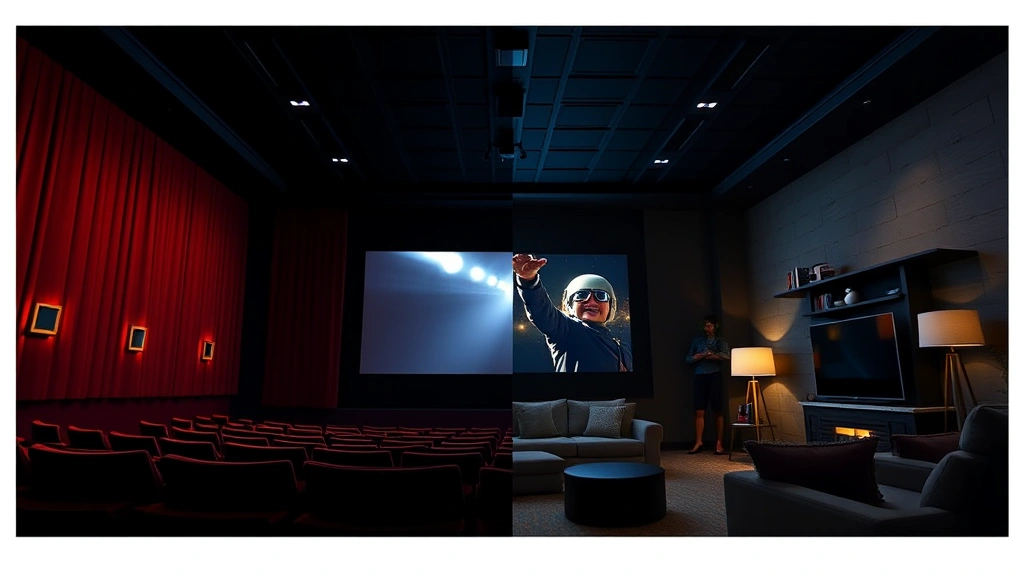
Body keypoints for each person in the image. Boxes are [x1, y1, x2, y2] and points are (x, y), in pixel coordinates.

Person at [513, 253, 632, 372]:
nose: (591, 302)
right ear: (569, 305)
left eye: (601, 296)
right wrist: (528, 280)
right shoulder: (566, 330)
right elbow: (541, 310)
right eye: (581, 295)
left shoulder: (622, 350)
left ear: (611, 306)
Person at [685, 315, 730, 454]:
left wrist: (714, 355)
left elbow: (727, 355)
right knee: (699, 410)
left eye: (710, 325)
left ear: (715, 326)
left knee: (718, 410)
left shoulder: (720, 340)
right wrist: (696, 357)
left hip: (714, 375)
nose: (707, 328)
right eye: (705, 325)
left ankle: (719, 443)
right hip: (699, 375)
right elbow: (688, 358)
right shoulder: (697, 341)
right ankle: (698, 442)